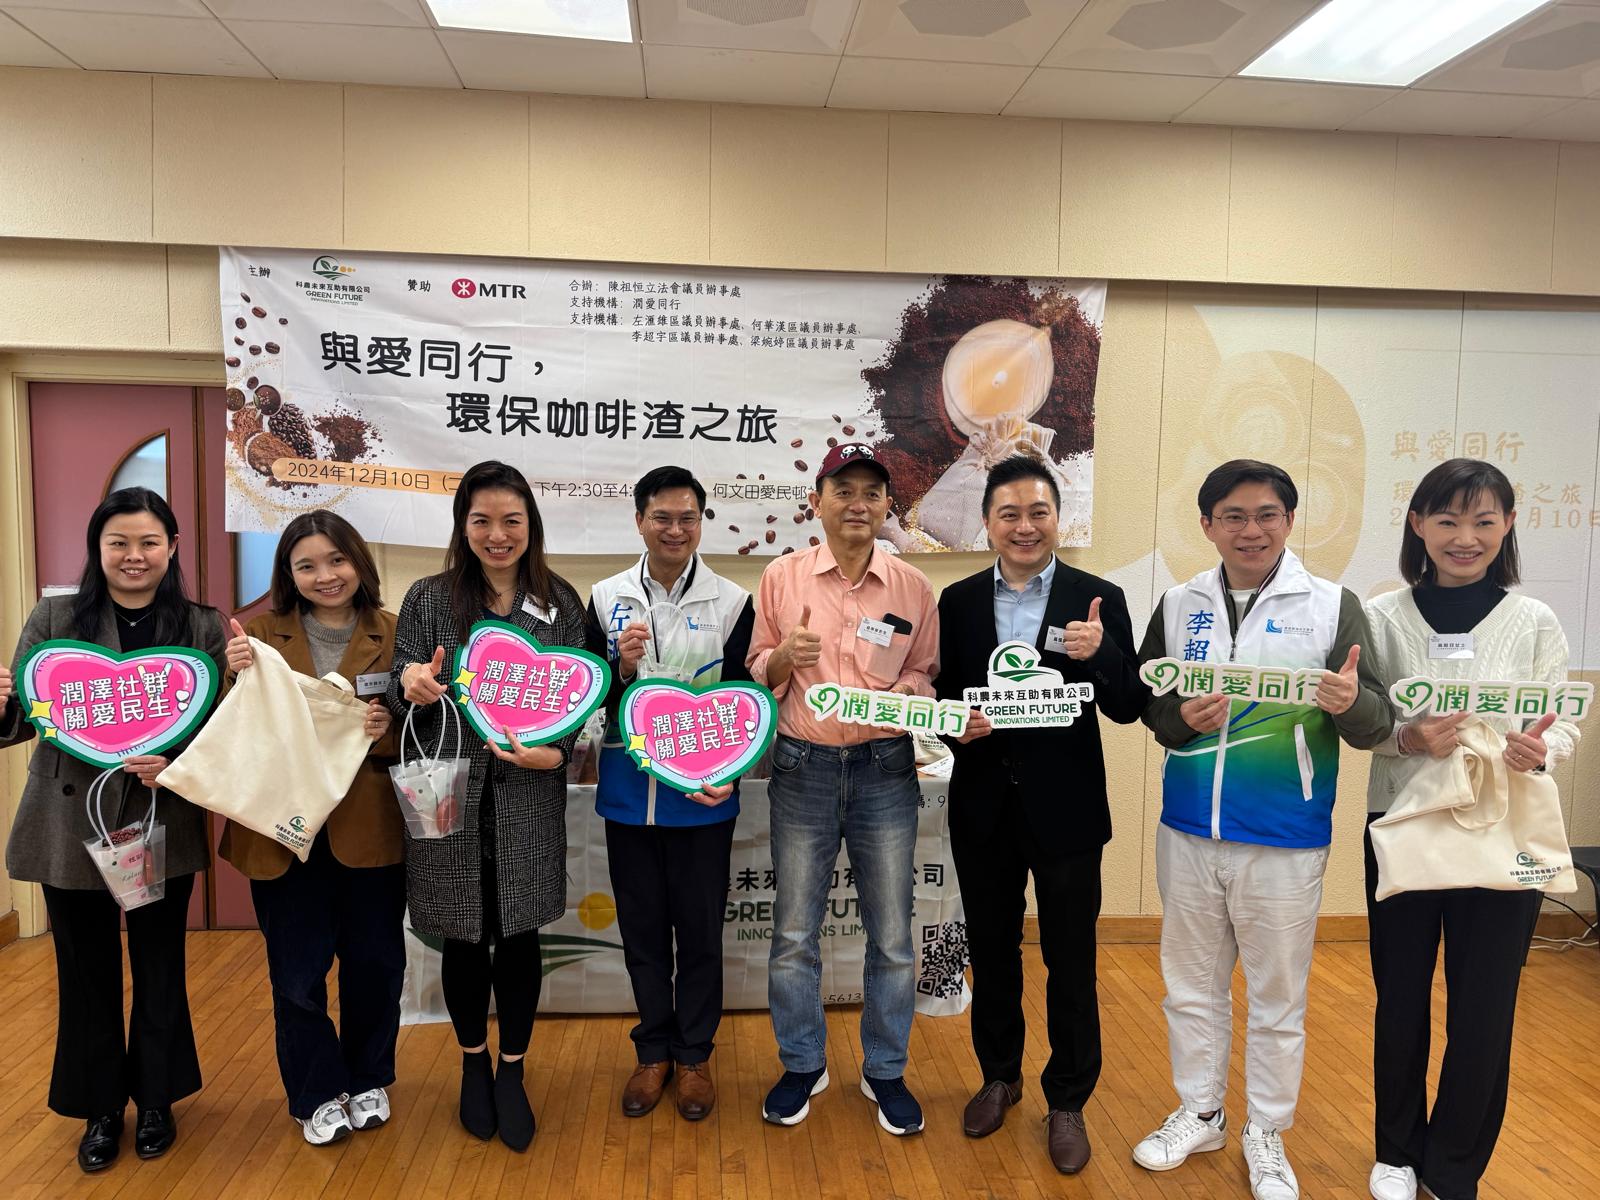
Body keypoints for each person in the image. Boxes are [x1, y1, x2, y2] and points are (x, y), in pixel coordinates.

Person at [1132, 459, 1392, 1200]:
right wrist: (1180, 717)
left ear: (1289, 520)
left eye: (1268, 514)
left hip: (1284, 832)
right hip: (1188, 828)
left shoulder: (1331, 605)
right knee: (1190, 986)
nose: (1252, 530)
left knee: (1278, 997)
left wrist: (1347, 702)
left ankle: (1267, 1132)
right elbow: (1152, 701)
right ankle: (1201, 1112)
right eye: (1235, 516)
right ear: (1208, 524)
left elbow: (1377, 721)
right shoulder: (1180, 603)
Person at [1362, 459, 1575, 1200]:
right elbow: (1365, 720)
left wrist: (1543, 750)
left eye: (1484, 521)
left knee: (1485, 1007)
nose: (1465, 537)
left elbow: (1561, 720)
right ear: (1418, 523)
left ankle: (1453, 1166)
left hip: (1502, 830)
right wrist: (1405, 738)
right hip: (1404, 822)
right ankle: (1395, 1153)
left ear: (1508, 526)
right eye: (1448, 520)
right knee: (1400, 998)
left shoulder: (1534, 620)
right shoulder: (1382, 616)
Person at [0, 487, 225, 1173]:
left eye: (149, 542)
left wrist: (178, 762)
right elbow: (27, 717)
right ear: (97, 548)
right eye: (118, 542)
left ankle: (155, 1100)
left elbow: (225, 730)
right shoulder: (55, 617)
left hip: (159, 818)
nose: (134, 556)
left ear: (172, 548)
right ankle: (100, 1107)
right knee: (84, 971)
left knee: (160, 966)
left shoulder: (201, 627)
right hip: (70, 820)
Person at [934, 455, 1148, 1175]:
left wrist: (1102, 652)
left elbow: (1129, 704)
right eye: (1009, 514)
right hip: (983, 806)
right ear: (987, 523)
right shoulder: (958, 601)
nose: (1025, 527)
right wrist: (953, 726)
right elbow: (942, 700)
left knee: (1070, 958)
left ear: (1059, 518)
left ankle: (1068, 1100)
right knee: (992, 950)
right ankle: (999, 1077)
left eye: (1038, 512)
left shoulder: (1098, 597)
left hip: (1067, 810)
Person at [386, 460, 594, 1152]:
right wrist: (411, 683)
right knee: (463, 935)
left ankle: (513, 1069)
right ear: (463, 526)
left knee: (521, 934)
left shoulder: (560, 602)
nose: (497, 535)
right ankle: (473, 1063)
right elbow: (401, 686)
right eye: (482, 521)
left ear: (531, 525)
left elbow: (580, 699)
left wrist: (557, 754)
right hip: (448, 794)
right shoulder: (428, 598)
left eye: (511, 520)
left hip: (527, 794)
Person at [746, 442, 939, 1136]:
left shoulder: (912, 587)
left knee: (892, 935)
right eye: (844, 491)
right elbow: (757, 674)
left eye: (872, 493)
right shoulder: (782, 577)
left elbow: (925, 673)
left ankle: (884, 1070)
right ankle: (803, 1063)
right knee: (794, 930)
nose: (859, 504)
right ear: (817, 501)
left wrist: (906, 693)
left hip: (884, 768)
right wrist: (781, 659)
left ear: (888, 505)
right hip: (804, 766)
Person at [217, 510, 403, 1146]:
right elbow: (229, 730)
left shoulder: (394, 632)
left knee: (375, 964)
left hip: (368, 829)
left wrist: (387, 730)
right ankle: (316, 1091)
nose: (325, 575)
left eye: (337, 560)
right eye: (307, 565)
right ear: (288, 574)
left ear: (359, 562)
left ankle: (369, 1076)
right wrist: (232, 674)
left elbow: (426, 728)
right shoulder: (256, 637)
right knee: (296, 976)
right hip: (281, 832)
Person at [587, 465, 755, 1122]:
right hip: (630, 796)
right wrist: (620, 667)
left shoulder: (733, 602)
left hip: (704, 799)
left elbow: (745, 703)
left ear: (701, 523)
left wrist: (733, 770)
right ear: (640, 521)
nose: (675, 529)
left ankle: (694, 1057)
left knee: (702, 934)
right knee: (643, 933)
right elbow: (586, 699)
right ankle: (652, 1051)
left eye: (688, 518)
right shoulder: (604, 597)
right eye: (662, 517)